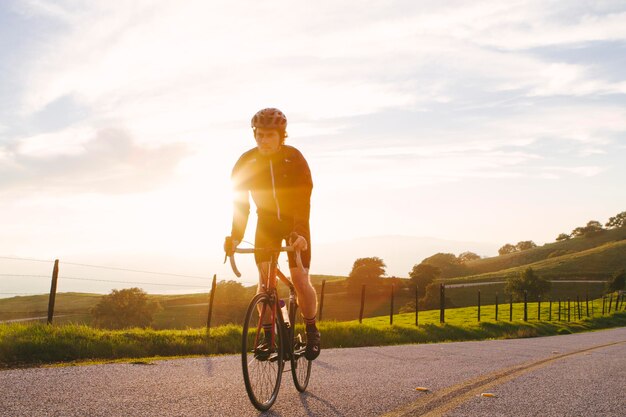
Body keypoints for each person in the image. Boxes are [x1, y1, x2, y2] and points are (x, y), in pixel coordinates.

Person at [224, 108, 320, 360]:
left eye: (269, 135)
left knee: (299, 280)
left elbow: (303, 199)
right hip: (265, 224)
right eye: (259, 135)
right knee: (264, 283)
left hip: (294, 224)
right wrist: (235, 236)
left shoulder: (294, 157)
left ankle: (312, 331)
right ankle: (269, 338)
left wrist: (299, 232)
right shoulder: (246, 162)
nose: (263, 140)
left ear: (281, 136)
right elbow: (240, 204)